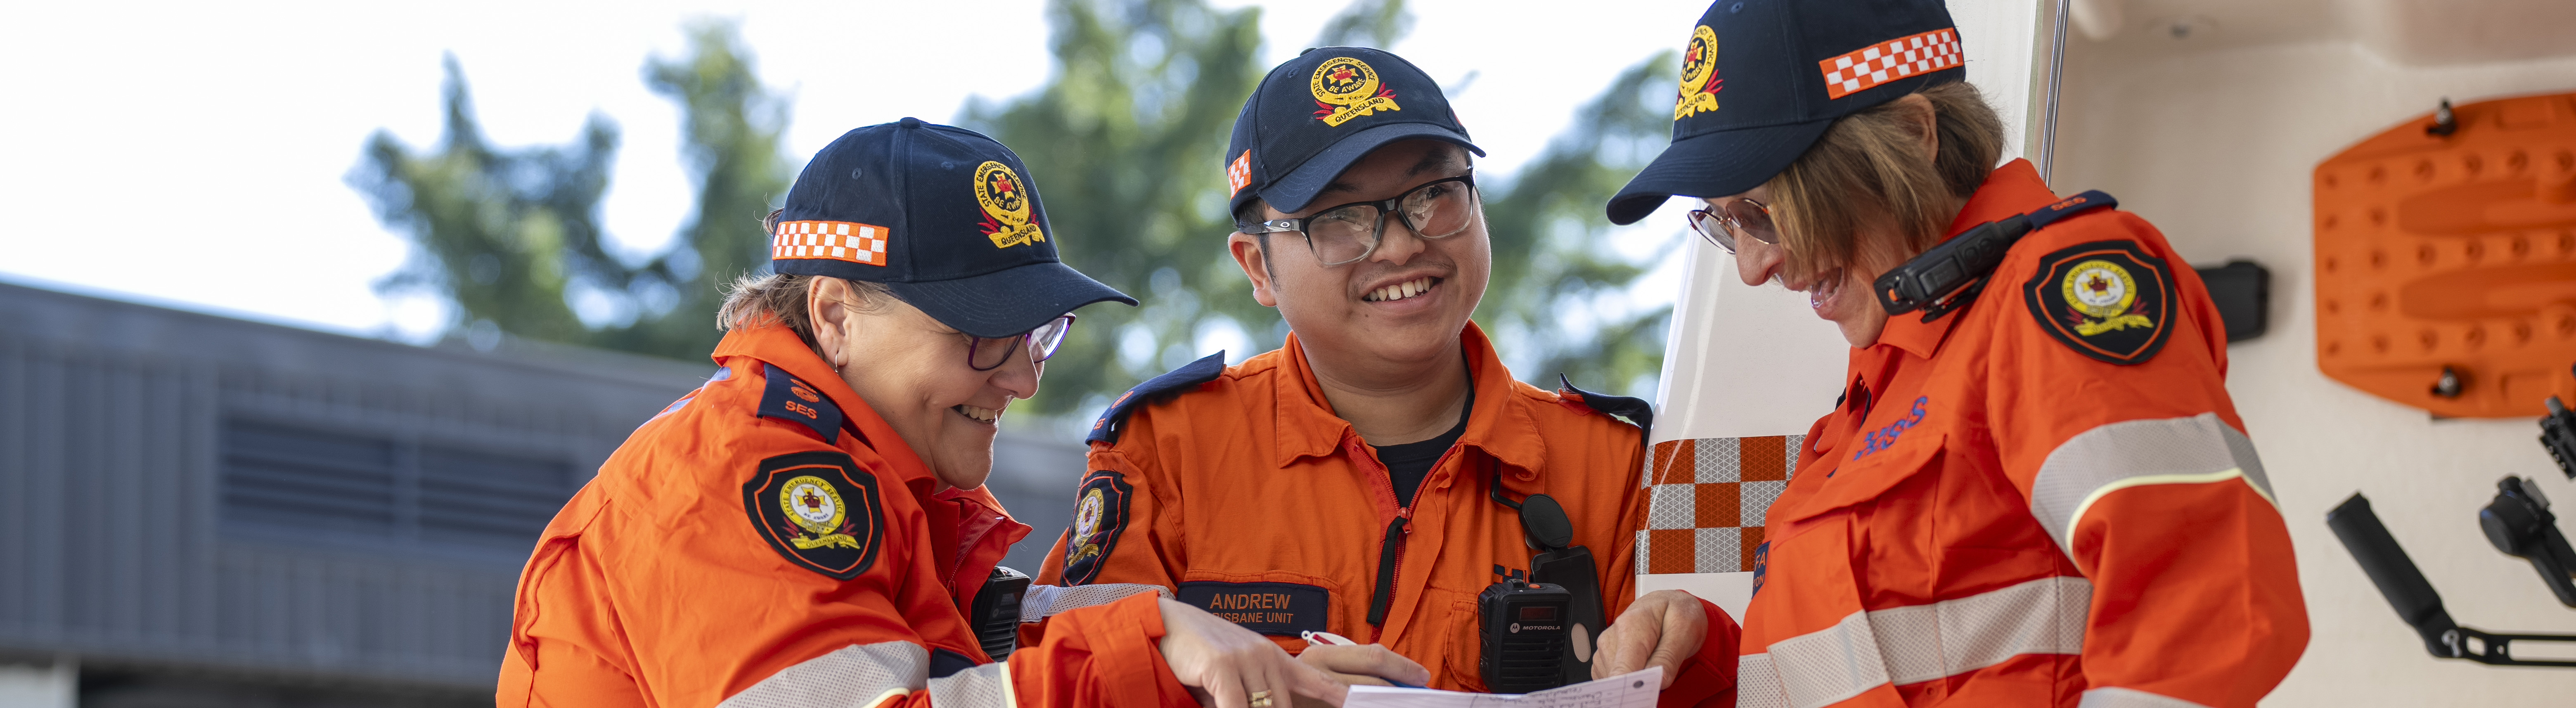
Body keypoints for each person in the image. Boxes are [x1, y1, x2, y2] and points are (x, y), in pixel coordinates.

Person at [497, 118, 1347, 708]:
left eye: (1039, 335)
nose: (1024, 379)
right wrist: (1162, 651)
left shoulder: (884, 482)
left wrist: (1268, 667)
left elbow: (997, 635)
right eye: (982, 335)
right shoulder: (724, 479)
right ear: (834, 314)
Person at [1605, 1, 2311, 707]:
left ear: (1913, 138)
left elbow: (2208, 613)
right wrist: (1701, 660)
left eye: (1764, 211)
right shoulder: (1885, 374)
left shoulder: (2050, 287)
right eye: (1727, 224)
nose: (1754, 267)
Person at [1025, 47, 1741, 706]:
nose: (1402, 242)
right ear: (1256, 267)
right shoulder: (1168, 450)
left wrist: (1703, 646)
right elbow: (1056, 673)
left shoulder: (1616, 467)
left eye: (1433, 194)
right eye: (1340, 217)